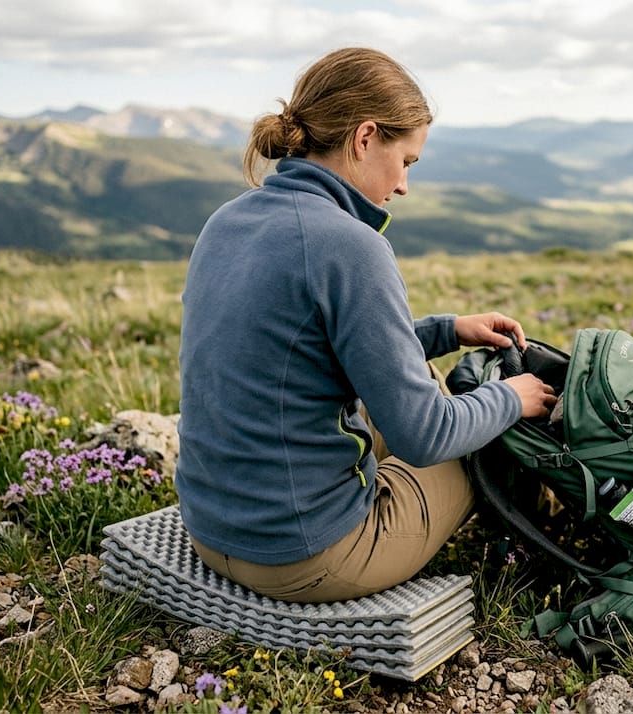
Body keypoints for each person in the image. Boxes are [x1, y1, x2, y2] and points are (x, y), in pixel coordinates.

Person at [175, 47, 557, 603]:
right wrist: (512, 398)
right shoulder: (352, 245)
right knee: (488, 439)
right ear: (364, 138)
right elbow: (425, 438)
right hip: (307, 555)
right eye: (407, 161)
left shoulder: (226, 220)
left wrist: (448, 329)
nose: (403, 185)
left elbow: (306, 343)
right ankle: (533, 569)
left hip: (212, 531)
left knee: (422, 375)